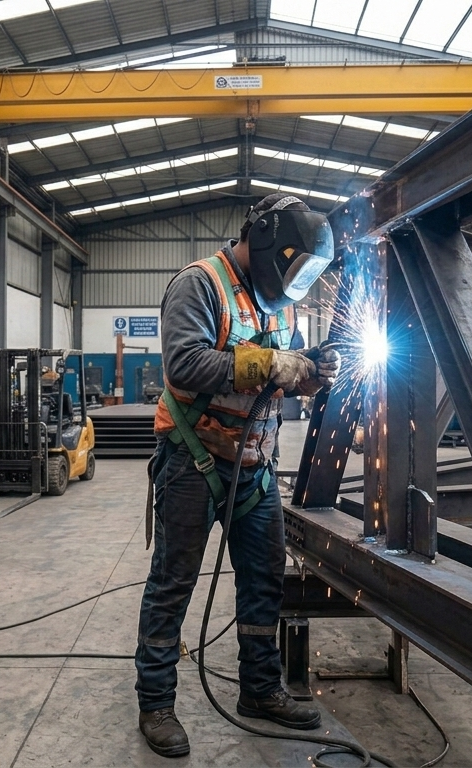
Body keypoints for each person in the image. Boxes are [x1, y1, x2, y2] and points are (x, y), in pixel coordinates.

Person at [135, 194, 341, 757]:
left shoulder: (282, 302)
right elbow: (185, 364)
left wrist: (309, 370)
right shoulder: (200, 284)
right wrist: (273, 363)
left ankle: (260, 689)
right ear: (265, 242)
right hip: (193, 459)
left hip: (255, 466)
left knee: (264, 580)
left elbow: (279, 375)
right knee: (173, 582)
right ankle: (156, 703)